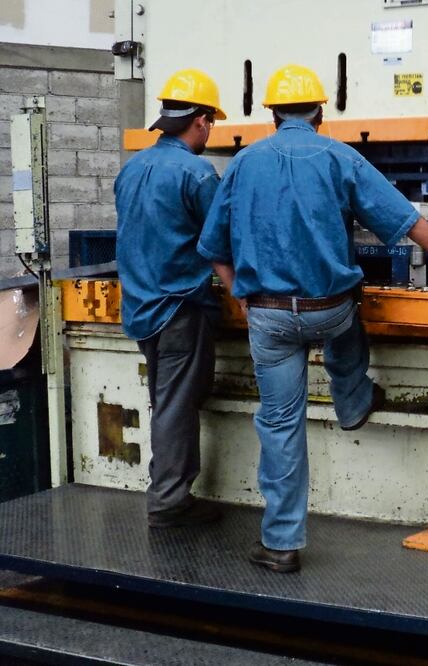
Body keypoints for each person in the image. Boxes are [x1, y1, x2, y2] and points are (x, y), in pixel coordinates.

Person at [198, 64, 428, 573]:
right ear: (321, 112)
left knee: (281, 425)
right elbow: (404, 218)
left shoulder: (242, 164)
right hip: (329, 311)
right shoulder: (339, 156)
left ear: (271, 115)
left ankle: (282, 544)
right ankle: (352, 400)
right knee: (349, 321)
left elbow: (212, 246)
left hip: (269, 320)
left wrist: (240, 291)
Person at [115, 69, 227, 528]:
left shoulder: (132, 168)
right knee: (177, 404)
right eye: (211, 123)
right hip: (179, 306)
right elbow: (223, 240)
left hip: (140, 306)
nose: (210, 132)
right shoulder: (197, 172)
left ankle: (165, 486)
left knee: (167, 401)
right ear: (199, 120)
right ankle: (168, 500)